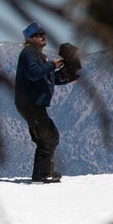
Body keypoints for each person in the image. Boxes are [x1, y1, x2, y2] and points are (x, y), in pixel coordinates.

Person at [14, 21, 78, 183]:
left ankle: (45, 172)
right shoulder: (28, 53)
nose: (42, 37)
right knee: (47, 137)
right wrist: (52, 65)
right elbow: (35, 74)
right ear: (29, 38)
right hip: (30, 104)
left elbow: (47, 78)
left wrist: (65, 77)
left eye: (43, 34)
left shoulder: (39, 56)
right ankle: (41, 176)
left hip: (34, 104)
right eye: (38, 35)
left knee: (50, 136)